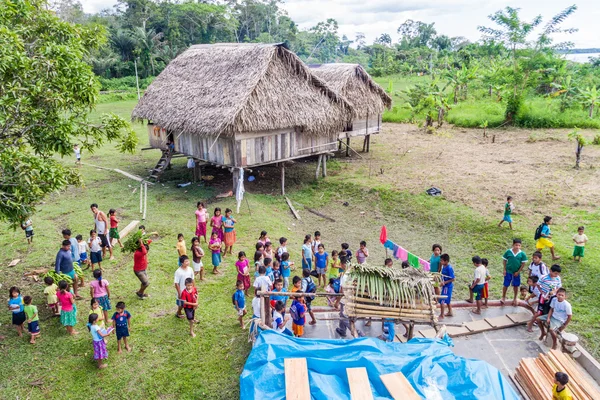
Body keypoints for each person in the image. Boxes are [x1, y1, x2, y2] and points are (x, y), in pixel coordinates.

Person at [502, 238, 528, 306]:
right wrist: (504, 269)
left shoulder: (522, 254)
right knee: (505, 285)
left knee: (516, 286)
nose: (517, 247)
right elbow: (504, 260)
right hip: (508, 271)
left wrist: (518, 272)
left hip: (516, 273)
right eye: (516, 245)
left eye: (519, 245)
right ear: (513, 245)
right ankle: (503, 297)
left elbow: (523, 264)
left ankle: (515, 298)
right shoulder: (508, 252)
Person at [439, 254, 455, 320]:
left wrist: (444, 283)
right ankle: (450, 312)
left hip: (447, 287)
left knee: (442, 300)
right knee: (448, 300)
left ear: (446, 261)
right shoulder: (444, 267)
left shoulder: (449, 268)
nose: (441, 262)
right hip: (445, 286)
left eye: (442, 261)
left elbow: (453, 279)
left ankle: (442, 315)